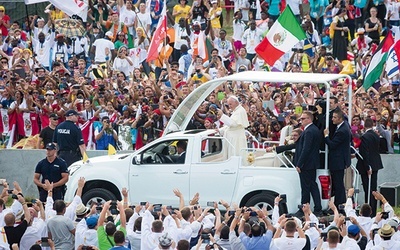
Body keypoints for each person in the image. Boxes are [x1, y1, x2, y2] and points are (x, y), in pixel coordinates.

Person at [293, 111, 322, 216]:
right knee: (312, 186)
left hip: (307, 164)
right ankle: (317, 208)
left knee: (306, 187)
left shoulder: (309, 131)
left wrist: (300, 163)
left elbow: (306, 149)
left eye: (303, 119)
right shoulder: (313, 130)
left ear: (309, 119)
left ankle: (304, 208)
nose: (301, 121)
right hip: (311, 163)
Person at [323, 109, 351, 207]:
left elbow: (332, 145)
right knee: (338, 183)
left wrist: (326, 136)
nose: (332, 119)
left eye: (334, 117)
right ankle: (339, 204)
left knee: (338, 184)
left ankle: (340, 205)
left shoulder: (342, 130)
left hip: (338, 161)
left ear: (340, 118)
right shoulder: (343, 127)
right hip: (339, 160)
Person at [356, 117, 384, 217]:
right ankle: (373, 209)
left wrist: (367, 167)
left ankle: (368, 211)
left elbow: (365, 153)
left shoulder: (364, 137)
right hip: (375, 164)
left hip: (367, 167)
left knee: (367, 189)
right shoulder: (376, 136)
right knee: (373, 188)